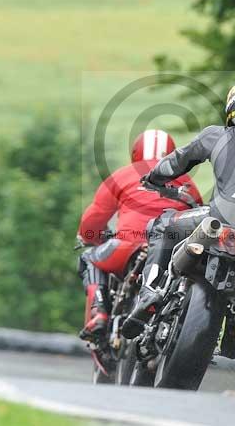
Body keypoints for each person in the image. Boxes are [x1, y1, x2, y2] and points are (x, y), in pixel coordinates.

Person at [122, 78, 235, 358]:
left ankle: (150, 291)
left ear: (232, 106)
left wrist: (154, 177)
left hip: (217, 219)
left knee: (162, 225)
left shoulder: (214, 135)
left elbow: (176, 162)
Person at [77, 129, 203, 343]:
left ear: (135, 153)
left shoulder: (122, 175)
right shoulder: (187, 182)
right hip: (169, 252)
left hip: (127, 246)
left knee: (89, 258)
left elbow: (94, 219)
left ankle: (99, 313)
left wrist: (91, 237)